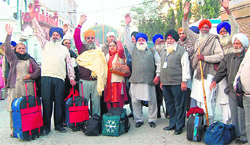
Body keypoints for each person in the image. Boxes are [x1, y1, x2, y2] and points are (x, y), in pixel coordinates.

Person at [29, 5, 76, 135]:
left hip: (60, 78)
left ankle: (59, 125)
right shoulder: (45, 45)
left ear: (60, 36)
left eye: (57, 34)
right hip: (46, 78)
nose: (55, 36)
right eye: (53, 34)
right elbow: (38, 31)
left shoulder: (65, 49)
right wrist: (33, 17)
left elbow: (69, 65)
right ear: (50, 36)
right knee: (47, 102)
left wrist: (71, 78)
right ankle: (46, 127)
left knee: (59, 102)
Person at [183, 2, 224, 123]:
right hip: (197, 72)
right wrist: (185, 16)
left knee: (208, 99)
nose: (204, 29)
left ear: (209, 28)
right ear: (199, 28)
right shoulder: (197, 38)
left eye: (207, 27)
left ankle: (209, 123)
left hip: (209, 73)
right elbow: (185, 30)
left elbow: (220, 56)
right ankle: (200, 122)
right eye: (202, 27)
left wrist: (205, 58)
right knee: (198, 99)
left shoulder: (214, 39)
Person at [210, 33, 248, 144]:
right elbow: (221, 71)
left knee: (244, 115)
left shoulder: (247, 58)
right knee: (235, 115)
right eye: (234, 43)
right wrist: (214, 81)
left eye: (238, 43)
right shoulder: (229, 57)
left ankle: (245, 136)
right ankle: (237, 135)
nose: (235, 45)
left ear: (244, 45)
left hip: (244, 92)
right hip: (232, 91)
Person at [4, 24, 41, 137]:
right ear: (15, 49)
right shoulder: (13, 58)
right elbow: (6, 49)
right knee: (13, 108)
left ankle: (28, 127)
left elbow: (38, 70)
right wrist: (9, 35)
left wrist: (31, 76)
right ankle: (14, 129)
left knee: (27, 107)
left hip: (27, 86)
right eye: (19, 48)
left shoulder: (29, 59)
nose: (21, 50)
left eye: (23, 48)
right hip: (15, 86)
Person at [124, 14, 161, 128]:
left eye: (143, 39)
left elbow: (158, 63)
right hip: (136, 80)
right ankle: (138, 119)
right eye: (139, 39)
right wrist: (126, 25)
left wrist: (158, 75)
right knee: (135, 101)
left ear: (145, 41)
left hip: (149, 80)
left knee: (152, 101)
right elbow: (126, 40)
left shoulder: (152, 50)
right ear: (136, 41)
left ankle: (152, 119)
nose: (141, 41)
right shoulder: (133, 50)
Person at [74, 14, 107, 116]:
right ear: (85, 39)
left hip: (96, 81)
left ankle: (95, 120)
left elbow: (102, 66)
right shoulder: (81, 48)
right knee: (84, 102)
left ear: (94, 39)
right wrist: (80, 24)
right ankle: (83, 121)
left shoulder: (98, 50)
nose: (90, 40)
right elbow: (75, 36)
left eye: (92, 38)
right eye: (88, 38)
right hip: (84, 81)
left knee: (96, 103)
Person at [161, 29, 191, 135]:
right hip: (166, 83)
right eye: (167, 38)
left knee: (179, 105)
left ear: (175, 40)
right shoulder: (163, 51)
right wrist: (161, 80)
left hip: (177, 83)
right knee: (170, 105)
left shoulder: (181, 51)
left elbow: (185, 67)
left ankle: (179, 126)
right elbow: (161, 67)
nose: (169, 40)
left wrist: (184, 81)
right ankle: (172, 124)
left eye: (171, 38)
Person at [233, 34, 249, 145]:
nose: (235, 45)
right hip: (245, 94)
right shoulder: (248, 53)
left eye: (238, 43)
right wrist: (235, 83)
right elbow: (241, 69)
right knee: (248, 123)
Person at [104, 41, 128, 110]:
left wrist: (119, 41)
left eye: (114, 46)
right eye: (110, 46)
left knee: (118, 101)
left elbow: (121, 49)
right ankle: (112, 116)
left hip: (117, 82)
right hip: (109, 82)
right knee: (109, 100)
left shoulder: (120, 55)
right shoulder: (107, 56)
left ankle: (118, 116)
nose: (112, 47)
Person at [124, 31, 138, 118]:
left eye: (134, 38)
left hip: (136, 75)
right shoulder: (128, 49)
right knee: (130, 94)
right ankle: (133, 111)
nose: (132, 39)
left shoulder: (137, 49)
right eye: (131, 38)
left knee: (136, 95)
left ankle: (137, 112)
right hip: (128, 75)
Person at [152, 34, 166, 118]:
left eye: (160, 40)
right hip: (155, 75)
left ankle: (168, 112)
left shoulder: (166, 48)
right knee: (156, 95)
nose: (159, 42)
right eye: (157, 40)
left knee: (166, 95)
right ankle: (157, 112)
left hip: (165, 75)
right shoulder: (152, 50)